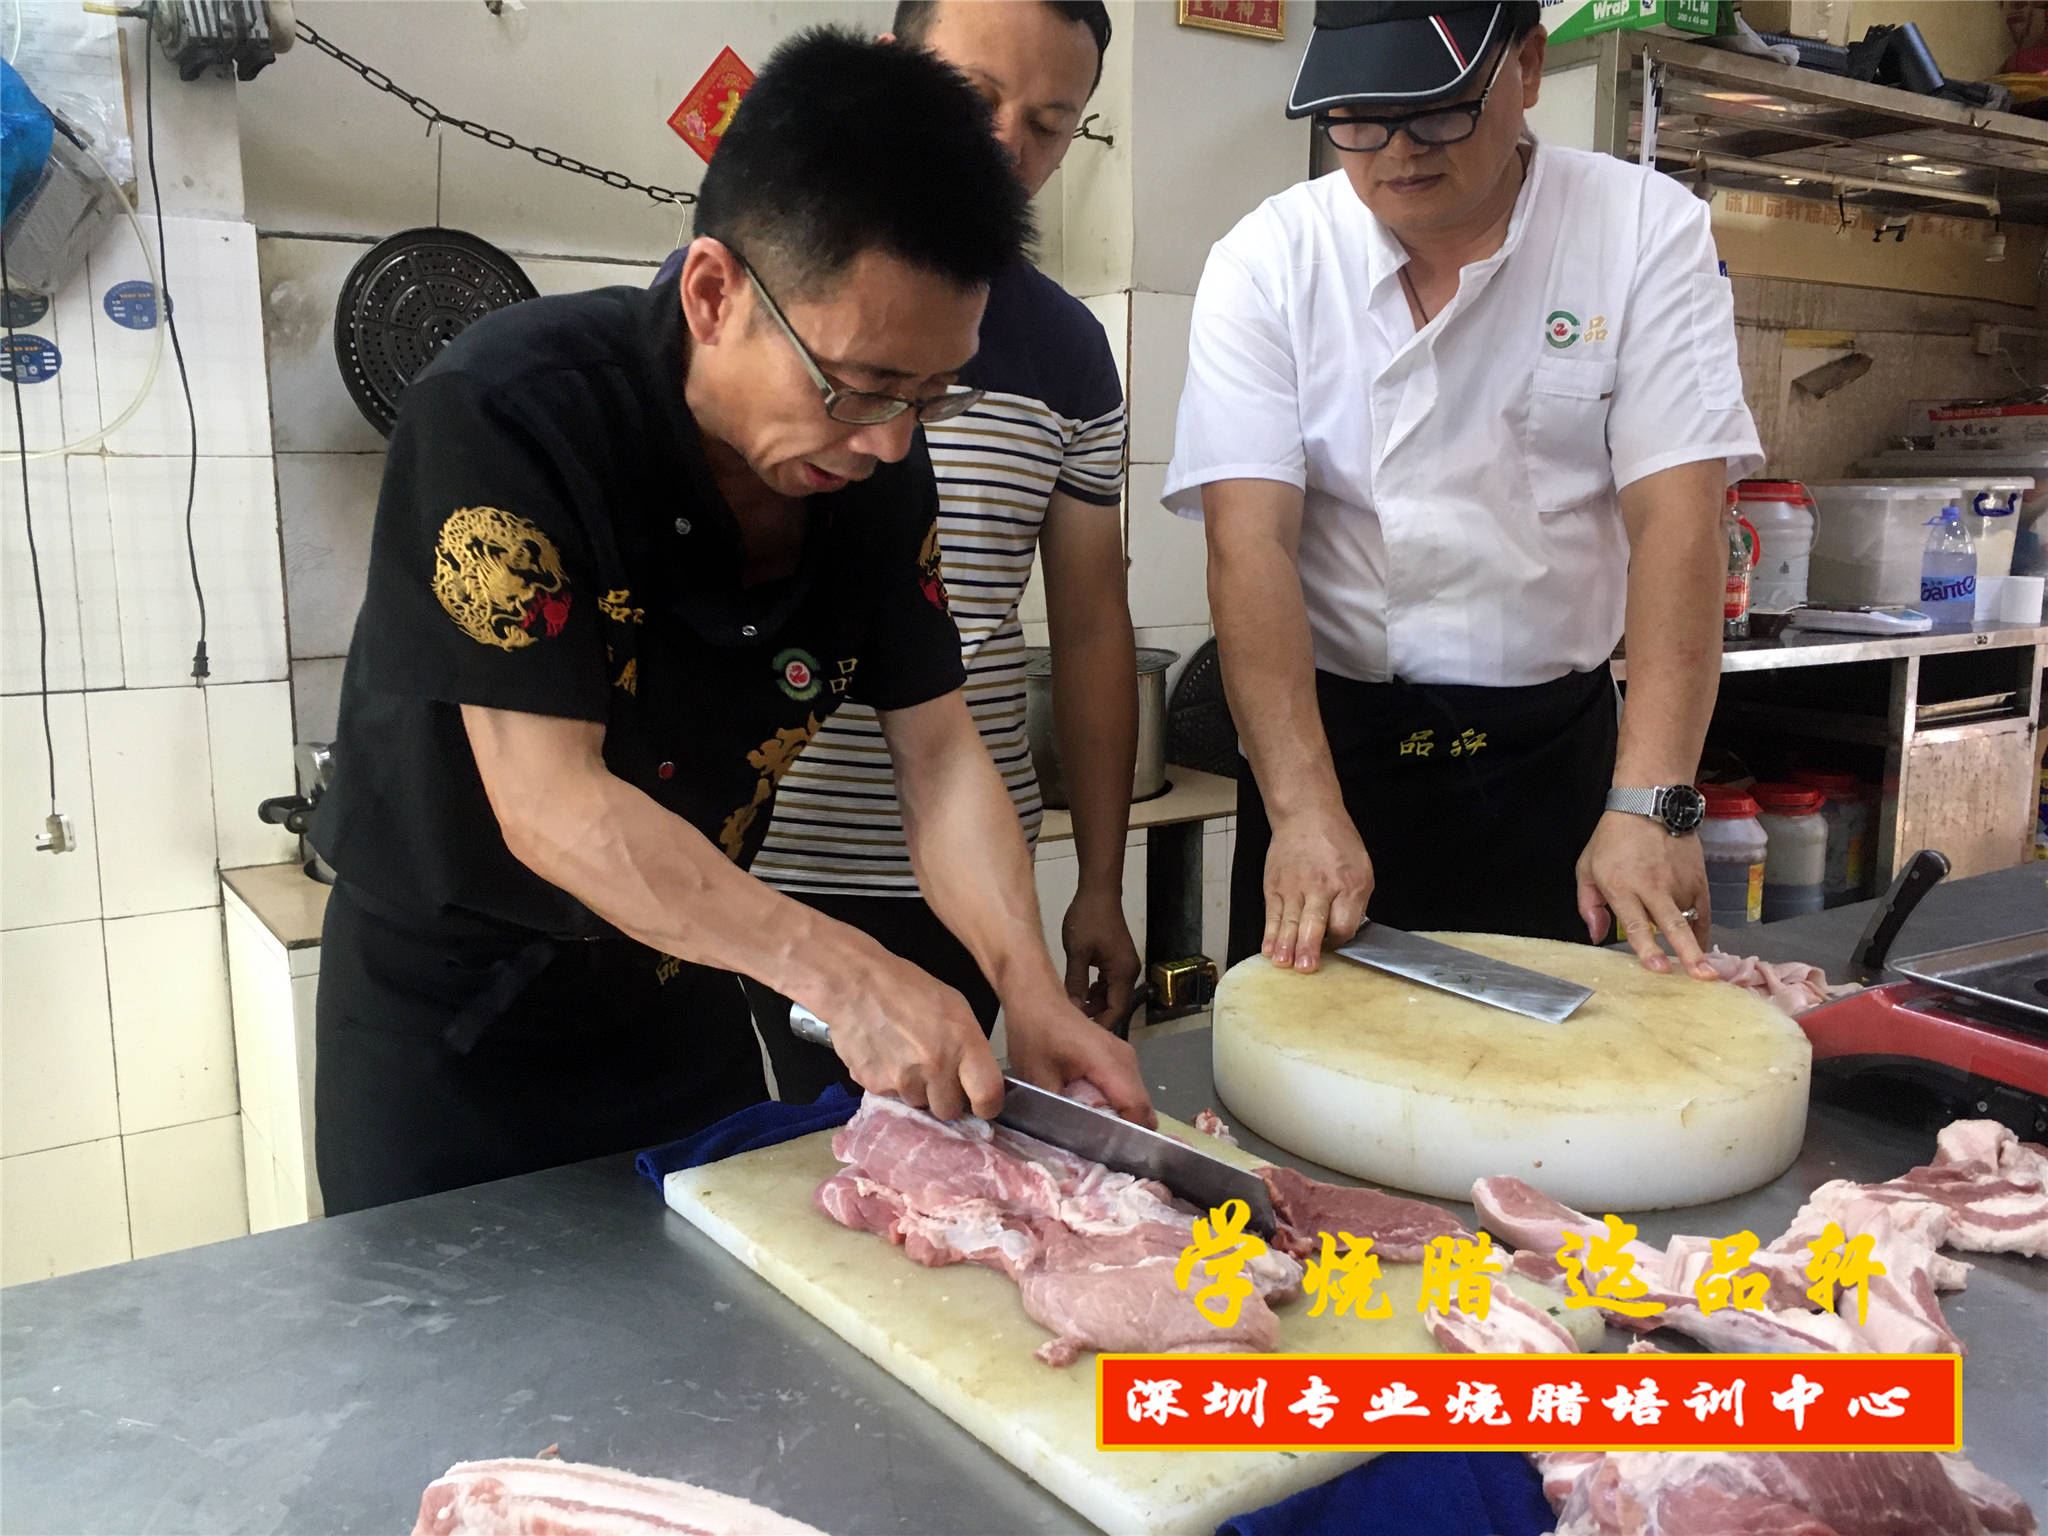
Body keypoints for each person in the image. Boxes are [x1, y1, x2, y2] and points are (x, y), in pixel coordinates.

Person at [308, 27, 1151, 1216]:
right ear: (714, 294)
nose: (890, 442)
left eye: (928, 395)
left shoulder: (874, 460)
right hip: (452, 1034)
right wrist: (843, 973)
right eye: (859, 383)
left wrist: (1027, 984)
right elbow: (550, 803)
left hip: (679, 994)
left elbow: (940, 752)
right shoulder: (507, 412)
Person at [1164, 0, 1762, 981]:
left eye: (1436, 109)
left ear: (1525, 67)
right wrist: (1301, 810)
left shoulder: (1641, 230)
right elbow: (1248, 543)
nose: (1396, 150)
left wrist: (1653, 802)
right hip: (1329, 757)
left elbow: (1676, 520)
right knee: (1304, 1061)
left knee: (1564, 1059)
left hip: (1554, 766)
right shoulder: (1269, 260)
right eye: (1358, 117)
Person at [739, 0, 1141, 1102]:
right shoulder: (758, 308)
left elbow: (1089, 628)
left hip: (966, 872)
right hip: (755, 862)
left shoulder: (1063, 352)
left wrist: (1096, 883)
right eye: (972, 97)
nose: (1004, 145)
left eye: (1049, 124)